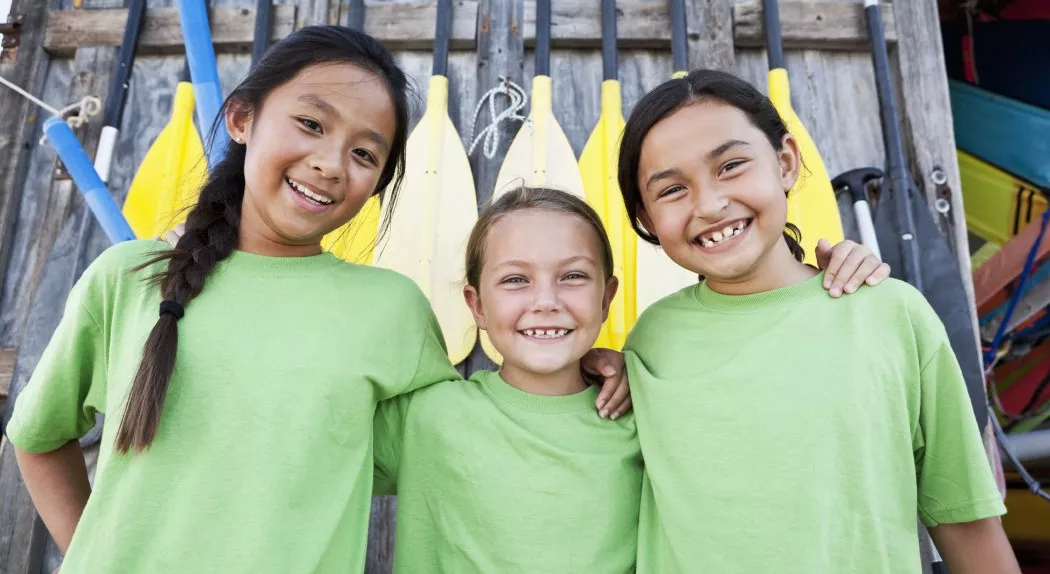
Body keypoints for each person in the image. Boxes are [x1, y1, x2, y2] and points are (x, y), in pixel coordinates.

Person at [4, 27, 630, 574]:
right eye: (310, 124)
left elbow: (474, 434)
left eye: (365, 154)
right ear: (243, 119)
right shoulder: (127, 278)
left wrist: (594, 367)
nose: (331, 163)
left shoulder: (388, 309)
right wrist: (91, 554)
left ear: (377, 187)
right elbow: (38, 436)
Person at [617, 68, 1019, 573]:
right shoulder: (650, 344)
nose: (711, 204)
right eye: (672, 190)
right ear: (647, 218)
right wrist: (592, 367)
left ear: (785, 162)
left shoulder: (889, 313)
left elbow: (965, 522)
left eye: (732, 165)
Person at [371, 187, 892, 573]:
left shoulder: (649, 414)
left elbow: (768, 395)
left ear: (607, 297)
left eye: (573, 276)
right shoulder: (425, 417)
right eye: (515, 279)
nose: (546, 300)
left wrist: (823, 282)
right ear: (476, 304)